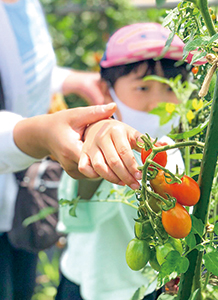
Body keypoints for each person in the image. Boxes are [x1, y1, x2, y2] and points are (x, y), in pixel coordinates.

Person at [0, 0, 143, 299]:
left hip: (20, 182)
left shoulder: (26, 5)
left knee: (21, 279)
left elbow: (28, 68)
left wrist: (71, 80)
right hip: (16, 157)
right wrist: (39, 134)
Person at [56, 22, 190, 300]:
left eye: (172, 88)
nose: (159, 102)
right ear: (107, 92)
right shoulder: (94, 143)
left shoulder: (179, 149)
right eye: (143, 89)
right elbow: (75, 209)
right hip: (86, 282)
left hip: (151, 285)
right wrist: (96, 152)